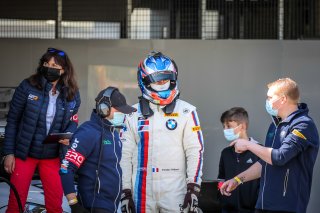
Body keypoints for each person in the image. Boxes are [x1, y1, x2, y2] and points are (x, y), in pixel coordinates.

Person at [120, 52, 204, 213]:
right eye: (157, 80)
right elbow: (124, 155)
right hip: (141, 190)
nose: (162, 83)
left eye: (166, 79)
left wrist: (193, 188)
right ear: (144, 80)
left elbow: (195, 152)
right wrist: (125, 192)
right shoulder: (131, 114)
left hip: (175, 190)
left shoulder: (187, 111)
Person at [220, 78, 319, 213]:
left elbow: (279, 157)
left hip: (287, 206)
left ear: (283, 99)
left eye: (270, 97)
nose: (267, 101)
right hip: (263, 205)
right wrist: (237, 180)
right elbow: (265, 163)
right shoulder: (274, 126)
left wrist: (248, 145)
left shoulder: (304, 125)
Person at [2, 47, 81, 213]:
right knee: (15, 203)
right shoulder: (27, 86)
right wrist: (8, 153)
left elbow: (73, 120)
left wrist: (69, 134)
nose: (49, 67)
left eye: (54, 65)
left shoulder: (72, 93)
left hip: (53, 155)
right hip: (25, 153)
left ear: (63, 69)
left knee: (55, 205)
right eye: (46, 63)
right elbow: (13, 121)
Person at [60, 86, 136, 213]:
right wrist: (74, 204)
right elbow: (66, 168)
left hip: (111, 205)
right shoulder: (88, 132)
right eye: (119, 110)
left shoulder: (114, 134)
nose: (122, 114)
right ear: (103, 108)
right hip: (93, 205)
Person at [218, 107, 260, 213]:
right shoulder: (226, 152)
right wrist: (221, 192)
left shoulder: (259, 151)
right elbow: (221, 179)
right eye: (224, 126)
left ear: (243, 126)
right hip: (227, 209)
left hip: (252, 209)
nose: (225, 130)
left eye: (229, 126)